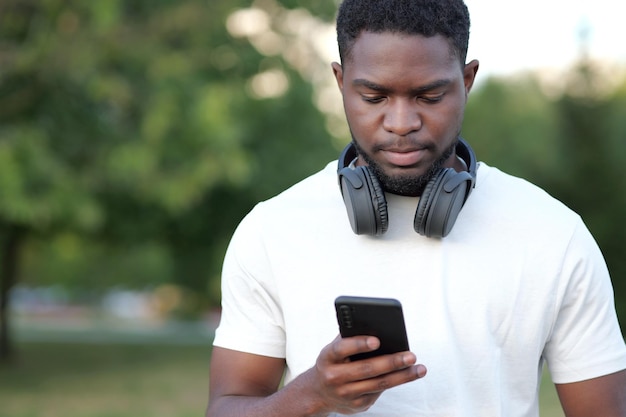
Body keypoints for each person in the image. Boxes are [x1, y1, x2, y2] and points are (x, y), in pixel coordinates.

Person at [206, 0, 626, 415]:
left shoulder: (553, 233)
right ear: (340, 80)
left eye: (429, 95)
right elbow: (224, 408)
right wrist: (313, 393)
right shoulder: (271, 230)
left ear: (467, 79)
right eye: (374, 96)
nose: (402, 122)